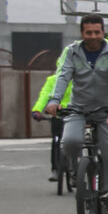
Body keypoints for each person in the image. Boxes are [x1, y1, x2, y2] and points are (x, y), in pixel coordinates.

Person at [43, 14, 108, 214]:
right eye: (88, 32)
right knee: (70, 142)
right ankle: (76, 170)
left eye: (97, 32)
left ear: (103, 32)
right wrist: (54, 101)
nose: (93, 36)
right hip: (79, 108)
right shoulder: (72, 52)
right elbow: (63, 76)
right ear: (82, 33)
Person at [31, 48, 73, 183]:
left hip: (74, 113)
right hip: (57, 113)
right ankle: (55, 169)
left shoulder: (77, 80)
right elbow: (44, 96)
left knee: (77, 141)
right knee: (56, 140)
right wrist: (37, 110)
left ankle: (75, 170)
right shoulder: (52, 80)